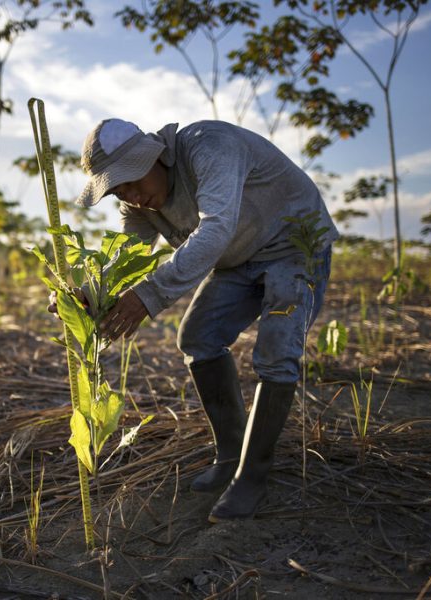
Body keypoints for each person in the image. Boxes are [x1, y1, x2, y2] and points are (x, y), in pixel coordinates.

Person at [75, 118, 337, 522]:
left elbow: (215, 229)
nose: (128, 194)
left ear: (154, 156)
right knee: (197, 338)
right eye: (117, 188)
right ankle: (231, 455)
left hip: (294, 245)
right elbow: (127, 258)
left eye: (131, 179)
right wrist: (90, 296)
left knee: (275, 354)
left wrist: (149, 297)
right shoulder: (138, 204)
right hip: (238, 258)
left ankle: (252, 477)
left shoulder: (208, 146)